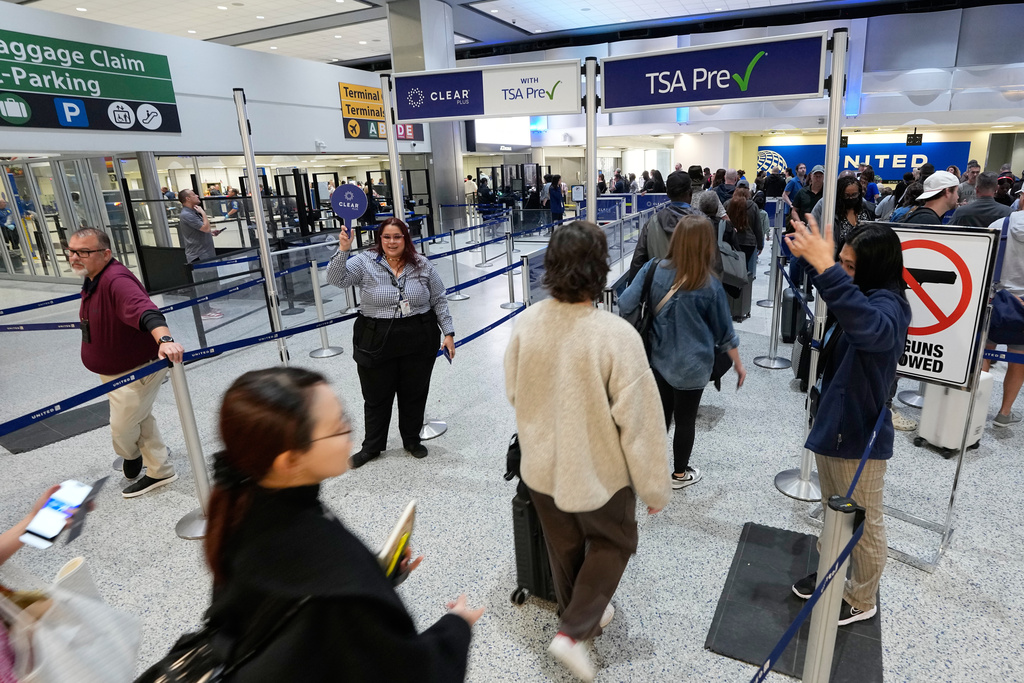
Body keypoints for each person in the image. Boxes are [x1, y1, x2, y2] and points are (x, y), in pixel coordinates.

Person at [193, 367, 481, 680]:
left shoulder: (240, 509)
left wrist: (376, 577)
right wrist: (457, 626)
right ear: (289, 461)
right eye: (338, 426)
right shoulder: (336, 586)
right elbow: (413, 672)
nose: (350, 433)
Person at [504, 221, 670, 681]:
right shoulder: (615, 336)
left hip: (541, 468)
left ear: (549, 266)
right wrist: (655, 485)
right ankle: (572, 632)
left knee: (567, 551)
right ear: (600, 270)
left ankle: (578, 621)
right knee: (615, 540)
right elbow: (640, 425)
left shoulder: (526, 323)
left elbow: (513, 392)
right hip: (598, 473)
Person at [785, 217, 912, 627]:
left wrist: (825, 268)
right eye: (840, 261)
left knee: (864, 521)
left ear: (875, 266)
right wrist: (810, 260)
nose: (843, 271)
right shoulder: (862, 292)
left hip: (860, 435)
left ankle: (862, 597)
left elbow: (870, 329)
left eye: (850, 266)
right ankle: (831, 574)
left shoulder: (889, 307)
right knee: (833, 509)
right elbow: (838, 293)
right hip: (836, 423)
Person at [620, 215, 746, 490]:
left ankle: (648, 469)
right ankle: (679, 475)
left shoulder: (652, 268)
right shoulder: (710, 285)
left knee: (659, 418)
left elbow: (625, 302)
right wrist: (738, 365)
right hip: (693, 366)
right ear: (705, 246)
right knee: (686, 421)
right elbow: (726, 333)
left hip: (657, 360)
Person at [326, 218, 455, 468]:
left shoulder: (422, 264)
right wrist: (343, 249)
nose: (392, 242)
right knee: (376, 396)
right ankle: (372, 447)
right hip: (375, 335)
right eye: (387, 237)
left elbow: (439, 298)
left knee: (414, 393)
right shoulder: (365, 262)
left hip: (418, 334)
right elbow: (336, 279)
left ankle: (411, 440)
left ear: (406, 239)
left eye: (397, 236)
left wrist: (448, 332)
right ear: (379, 239)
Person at [67, 228, 183, 497]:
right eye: (72, 251)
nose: (75, 257)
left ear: (106, 254)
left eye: (83, 252)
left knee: (122, 425)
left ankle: (130, 454)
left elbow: (145, 309)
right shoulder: (93, 276)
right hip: (113, 370)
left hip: (136, 371)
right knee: (139, 418)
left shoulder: (116, 280)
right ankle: (159, 469)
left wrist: (165, 339)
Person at [983, 199, 1024, 427]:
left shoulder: (1000, 223)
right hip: (1022, 307)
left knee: (984, 354)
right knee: (1018, 359)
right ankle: (1004, 413)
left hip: (995, 300)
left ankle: (977, 407)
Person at [627, 171, 699, 283]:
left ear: (667, 194)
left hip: (659, 290)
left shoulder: (651, 222)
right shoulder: (704, 223)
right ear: (690, 193)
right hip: (696, 290)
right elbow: (715, 265)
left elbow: (638, 260)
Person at [178, 189, 224, 320]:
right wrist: (203, 213)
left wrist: (210, 233)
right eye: (193, 194)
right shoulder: (187, 214)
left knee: (205, 283)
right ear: (187, 199)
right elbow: (205, 227)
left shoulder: (192, 212)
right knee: (200, 285)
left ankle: (206, 308)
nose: (197, 196)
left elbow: (202, 230)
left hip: (204, 251)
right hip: (198, 254)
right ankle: (203, 312)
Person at [722, 185, 763, 279]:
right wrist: (760, 245)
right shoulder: (753, 206)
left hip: (731, 241)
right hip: (749, 243)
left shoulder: (728, 204)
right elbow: (758, 227)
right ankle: (744, 290)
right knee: (745, 268)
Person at [833, 176, 875, 251]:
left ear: (859, 194)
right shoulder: (833, 213)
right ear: (840, 195)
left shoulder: (866, 210)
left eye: (854, 194)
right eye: (846, 195)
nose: (851, 198)